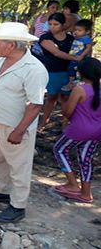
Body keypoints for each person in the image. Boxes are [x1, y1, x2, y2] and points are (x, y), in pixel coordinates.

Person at [0, 22, 48, 223]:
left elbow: (35, 104)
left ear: (12, 45)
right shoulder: (1, 60)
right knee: (0, 160)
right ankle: (1, 190)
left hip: (15, 126)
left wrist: (19, 130)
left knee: (19, 166)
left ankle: (18, 205)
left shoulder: (34, 69)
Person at [52, 58, 101, 204]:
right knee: (86, 160)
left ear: (81, 72)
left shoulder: (80, 89)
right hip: (96, 130)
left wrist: (63, 101)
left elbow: (67, 112)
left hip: (78, 129)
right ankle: (86, 193)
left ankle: (72, 184)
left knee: (59, 150)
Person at [38, 13, 81, 129]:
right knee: (51, 97)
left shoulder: (71, 39)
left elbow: (79, 50)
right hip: (53, 72)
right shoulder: (45, 38)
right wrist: (76, 58)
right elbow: (56, 52)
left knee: (66, 98)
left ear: (63, 25)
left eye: (56, 24)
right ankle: (44, 121)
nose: (52, 27)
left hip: (68, 73)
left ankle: (65, 124)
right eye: (50, 24)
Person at [61, 19, 93, 92]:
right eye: (76, 30)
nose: (76, 32)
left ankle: (75, 84)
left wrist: (82, 56)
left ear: (87, 31)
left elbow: (88, 48)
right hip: (74, 58)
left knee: (78, 70)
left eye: (79, 30)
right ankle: (71, 83)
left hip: (80, 59)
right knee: (71, 69)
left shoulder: (86, 38)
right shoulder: (77, 37)